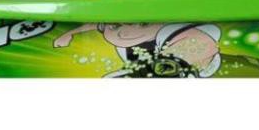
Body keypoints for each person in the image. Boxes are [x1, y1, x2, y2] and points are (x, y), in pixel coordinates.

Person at [53, 22, 221, 78]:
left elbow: (205, 45)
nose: (125, 33)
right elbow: (96, 24)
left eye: (143, 24)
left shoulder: (169, 31)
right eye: (115, 26)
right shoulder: (107, 26)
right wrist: (69, 34)